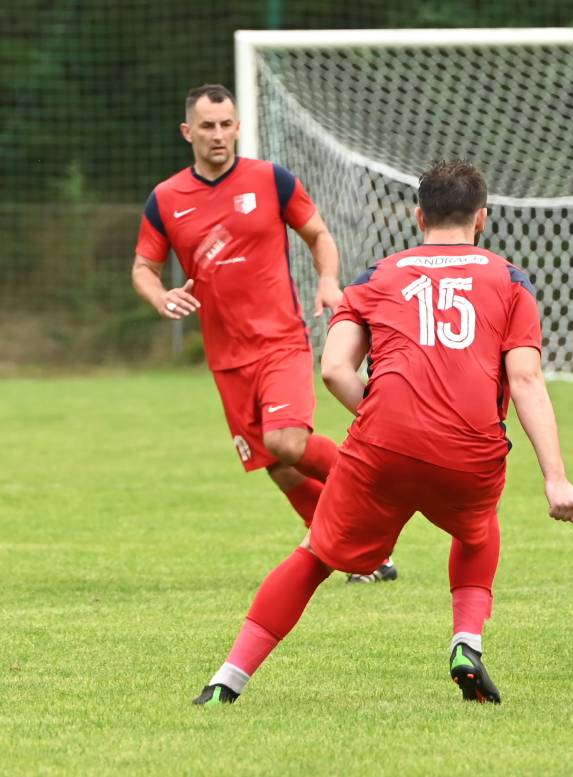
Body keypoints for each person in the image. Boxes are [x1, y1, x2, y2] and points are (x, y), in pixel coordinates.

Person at [192, 159, 573, 706]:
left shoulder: (376, 276)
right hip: (468, 451)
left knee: (314, 556)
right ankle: (466, 642)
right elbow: (525, 379)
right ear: (482, 218)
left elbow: (334, 370)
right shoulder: (509, 279)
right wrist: (556, 479)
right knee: (477, 531)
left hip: (383, 444)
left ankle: (226, 681)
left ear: (419, 216)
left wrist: (385, 417)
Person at [131, 83, 395, 583]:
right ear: (187, 132)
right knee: (279, 466)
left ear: (238, 127)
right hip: (227, 359)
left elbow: (318, 233)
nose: (218, 134)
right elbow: (144, 267)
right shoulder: (166, 199)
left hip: (280, 342)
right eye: (207, 126)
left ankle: (370, 482)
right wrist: (159, 296)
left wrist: (328, 280)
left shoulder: (271, 180)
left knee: (286, 441)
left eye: (225, 124)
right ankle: (360, 555)